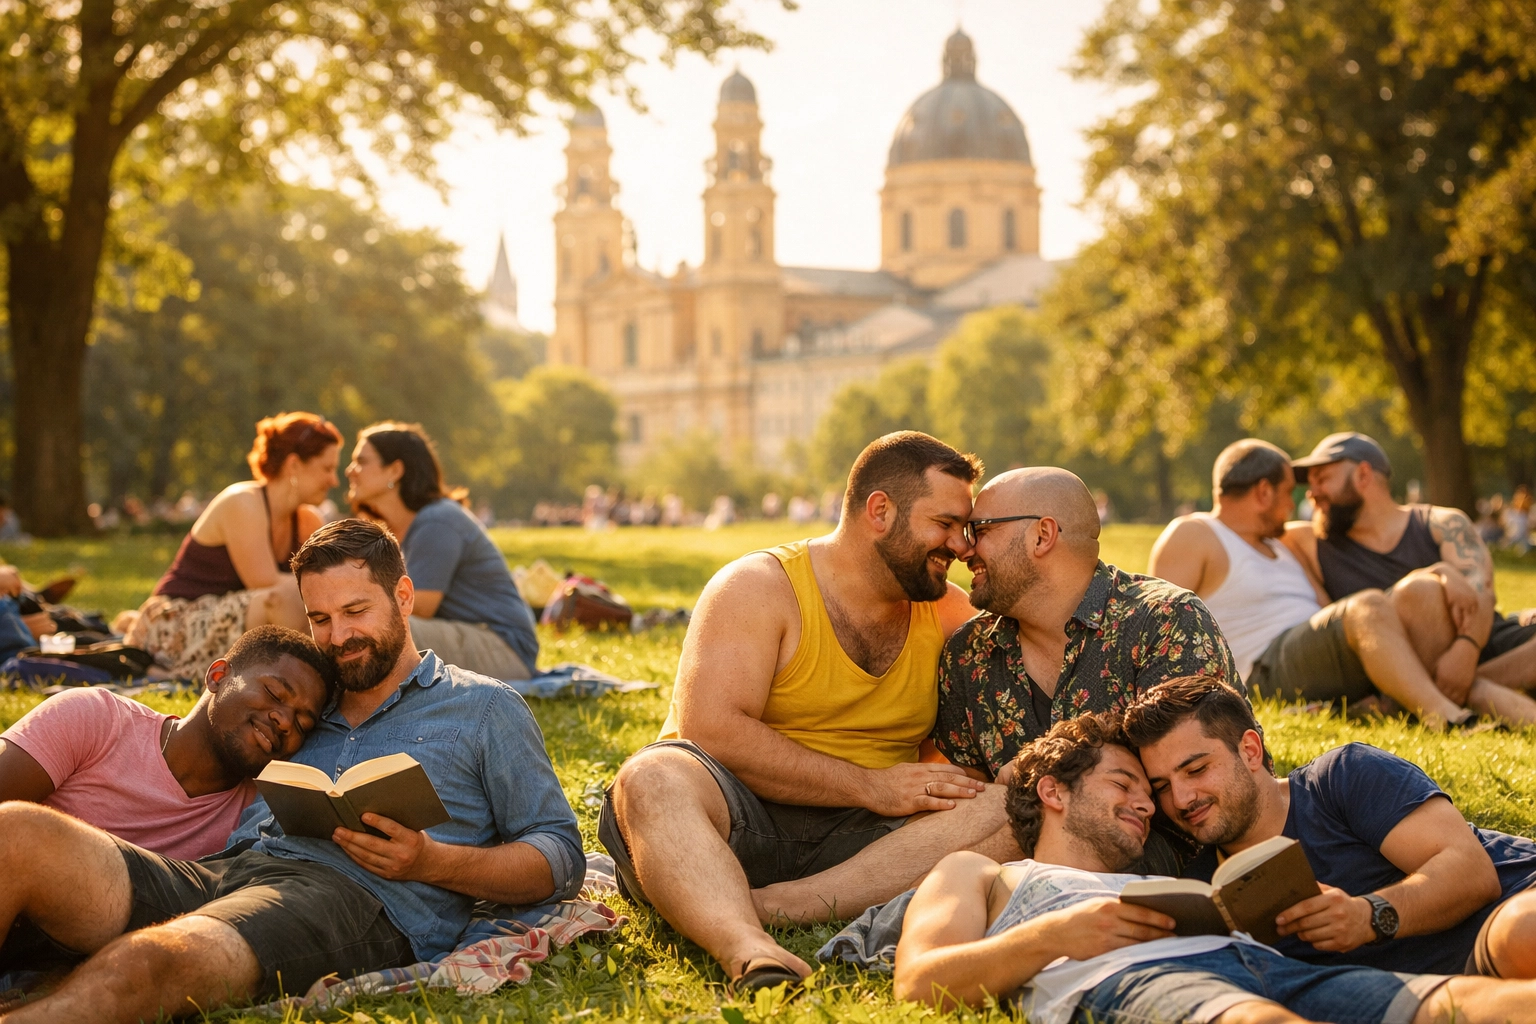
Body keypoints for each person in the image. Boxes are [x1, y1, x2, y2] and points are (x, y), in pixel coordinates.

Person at [0, 519, 582, 1023]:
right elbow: (209, 729)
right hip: (225, 872)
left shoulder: (484, 708)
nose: (339, 637)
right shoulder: (304, 709)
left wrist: (434, 861)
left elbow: (559, 854)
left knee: (157, 960)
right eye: (320, 618)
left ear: (403, 596)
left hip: (354, 901)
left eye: (356, 611)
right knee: (17, 832)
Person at [600, 431, 1008, 993]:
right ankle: (749, 951)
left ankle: (772, 907)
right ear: (880, 511)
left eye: (966, 530)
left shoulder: (947, 614)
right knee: (651, 778)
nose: (962, 547)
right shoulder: (758, 587)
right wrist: (871, 786)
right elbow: (712, 730)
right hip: (734, 821)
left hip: (869, 845)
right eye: (945, 524)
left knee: (1018, 805)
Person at [894, 714, 1536, 1024]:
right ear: (1055, 793)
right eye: (1127, 784)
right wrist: (1055, 936)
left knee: (1463, 1006)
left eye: (1154, 789)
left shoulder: (1188, 870)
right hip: (1136, 978)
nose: (1152, 803)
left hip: (1276, 968)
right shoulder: (981, 873)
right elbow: (918, 984)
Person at [1128, 676, 1536, 978]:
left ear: (1250, 750)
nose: (1181, 799)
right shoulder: (1207, 891)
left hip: (1516, 906)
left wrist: (1367, 916)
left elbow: (1472, 871)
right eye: (1162, 786)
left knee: (1523, 934)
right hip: (1463, 992)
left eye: (1196, 769)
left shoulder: (1340, 777)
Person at [1149, 439, 1536, 727]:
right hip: (1266, 666)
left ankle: (1448, 695)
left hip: (1329, 655)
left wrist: (1441, 573)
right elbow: (1159, 631)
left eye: (1319, 482)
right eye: (1291, 492)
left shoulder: (1283, 546)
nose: (1302, 499)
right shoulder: (1198, 532)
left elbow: (1325, 614)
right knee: (1367, 605)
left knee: (1402, 595)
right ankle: (1447, 716)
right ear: (1263, 492)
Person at [932, 466, 1240, 783]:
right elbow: (970, 801)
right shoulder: (968, 653)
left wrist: (1026, 779)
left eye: (978, 531)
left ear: (1042, 535)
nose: (963, 549)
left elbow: (1193, 790)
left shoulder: (1165, 622)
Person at [0, 625, 333, 859]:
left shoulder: (257, 816)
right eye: (274, 693)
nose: (285, 721)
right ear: (218, 676)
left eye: (303, 724)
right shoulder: (94, 719)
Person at [1285, 432, 1536, 695]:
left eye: (1322, 480)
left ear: (1363, 475)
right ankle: (1471, 693)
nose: (1312, 494)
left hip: (1488, 643)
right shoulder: (1309, 542)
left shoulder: (1440, 523)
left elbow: (1481, 592)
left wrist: (1467, 649)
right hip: (1406, 666)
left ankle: (1467, 689)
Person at [125, 413, 343, 679]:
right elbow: (267, 584)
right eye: (327, 468)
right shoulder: (243, 503)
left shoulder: (308, 520)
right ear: (294, 464)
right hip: (175, 621)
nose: (334, 481)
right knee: (284, 597)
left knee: (308, 596)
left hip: (237, 622)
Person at [345, 422, 538, 681]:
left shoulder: (438, 520)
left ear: (394, 470)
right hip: (473, 635)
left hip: (504, 648)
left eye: (361, 461)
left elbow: (419, 606)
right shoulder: (403, 527)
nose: (350, 471)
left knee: (380, 625)